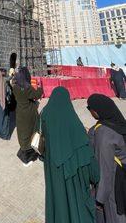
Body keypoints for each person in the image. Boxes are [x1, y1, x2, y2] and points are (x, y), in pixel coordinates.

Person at [42, 86, 100, 223]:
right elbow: (95, 173)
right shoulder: (77, 129)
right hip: (78, 190)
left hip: (56, 178)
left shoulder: (46, 120)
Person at [87, 94, 126, 223]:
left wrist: (100, 198)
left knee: (114, 213)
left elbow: (105, 169)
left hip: (115, 183)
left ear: (97, 111)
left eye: (90, 108)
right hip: (123, 173)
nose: (90, 112)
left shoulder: (103, 133)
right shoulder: (118, 122)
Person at [11, 67, 43, 166]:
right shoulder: (27, 87)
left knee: (22, 132)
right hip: (29, 113)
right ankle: (28, 156)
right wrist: (40, 88)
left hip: (20, 112)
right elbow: (36, 95)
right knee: (30, 132)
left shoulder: (15, 86)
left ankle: (24, 149)